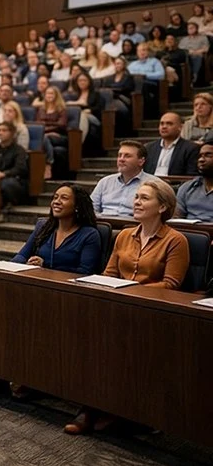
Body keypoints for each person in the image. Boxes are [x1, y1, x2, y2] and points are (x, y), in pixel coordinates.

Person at [65, 180, 190, 437]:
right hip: (119, 307)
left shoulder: (176, 240)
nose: (136, 202)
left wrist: (130, 291)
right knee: (89, 337)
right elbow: (109, 274)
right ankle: (91, 406)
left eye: (144, 198)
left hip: (153, 312)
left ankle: (121, 410)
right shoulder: (124, 235)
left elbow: (171, 285)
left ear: (162, 207)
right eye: (136, 197)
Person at [12, 185, 101, 273]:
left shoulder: (89, 234)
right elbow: (22, 255)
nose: (57, 202)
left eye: (64, 198)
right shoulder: (43, 226)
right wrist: (24, 263)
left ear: (77, 206)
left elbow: (84, 271)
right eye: (55, 197)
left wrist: (45, 266)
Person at [90, 140, 155, 216]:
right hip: (103, 221)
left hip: (133, 222)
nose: (121, 159)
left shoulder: (153, 184)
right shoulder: (105, 182)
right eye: (119, 155)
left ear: (141, 161)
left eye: (127, 156)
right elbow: (91, 209)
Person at [0, 122, 29, 208]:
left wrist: (4, 174)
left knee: (6, 184)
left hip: (14, 179)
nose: (0, 133)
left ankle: (5, 206)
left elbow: (20, 168)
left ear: (12, 133)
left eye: (4, 130)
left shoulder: (19, 150)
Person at [144, 112, 199, 177]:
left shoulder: (190, 148)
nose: (164, 127)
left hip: (176, 182)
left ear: (180, 127)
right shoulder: (149, 147)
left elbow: (191, 175)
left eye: (169, 124)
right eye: (162, 124)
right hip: (150, 182)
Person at [176, 143, 213, 220]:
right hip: (189, 227)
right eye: (200, 156)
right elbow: (176, 217)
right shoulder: (187, 188)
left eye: (208, 155)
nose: (201, 159)